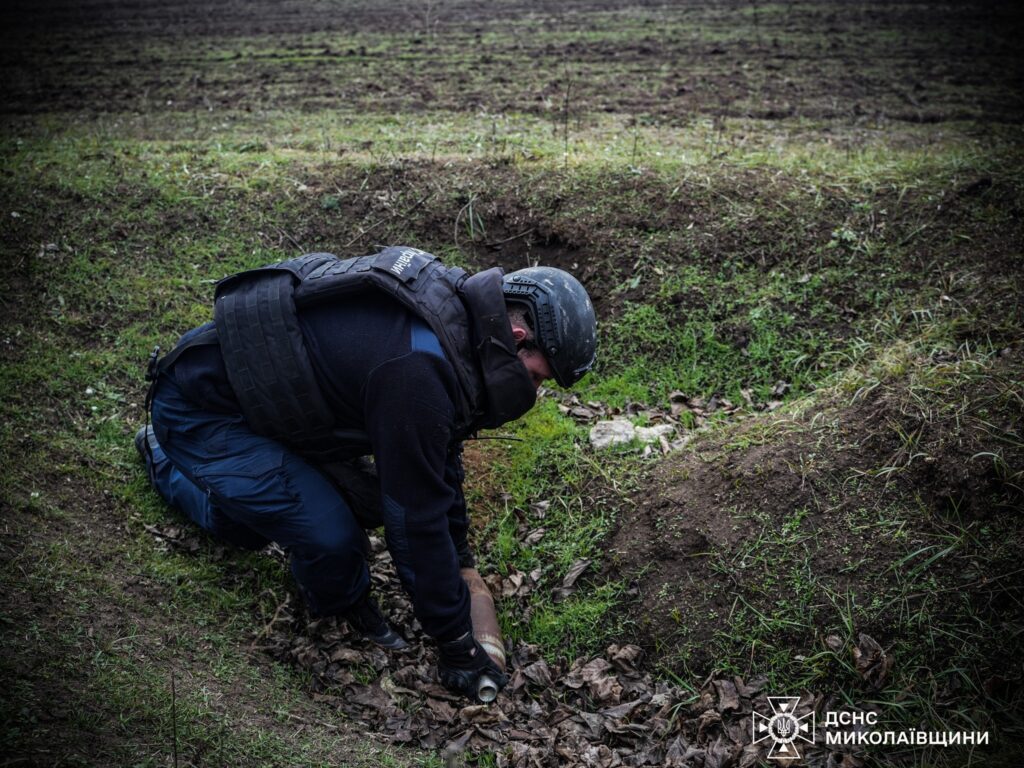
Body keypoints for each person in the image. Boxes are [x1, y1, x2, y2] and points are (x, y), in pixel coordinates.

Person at [135, 245, 597, 700]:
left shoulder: (457, 326)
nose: (532, 392)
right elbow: (414, 519)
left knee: (341, 507)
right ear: (517, 336)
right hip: (203, 410)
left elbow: (439, 457)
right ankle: (162, 454)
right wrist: (456, 644)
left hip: (277, 410)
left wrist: (460, 560)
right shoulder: (417, 368)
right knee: (333, 541)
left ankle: (231, 492)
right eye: (537, 377)